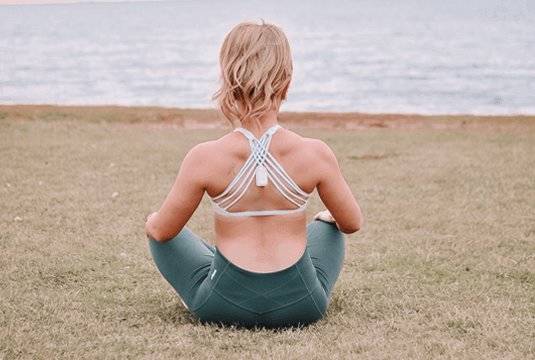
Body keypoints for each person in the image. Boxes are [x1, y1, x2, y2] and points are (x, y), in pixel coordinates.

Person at [144, 19, 363, 329]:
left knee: (158, 226)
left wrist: (152, 221)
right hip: (302, 306)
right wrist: (329, 216)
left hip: (221, 306)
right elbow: (352, 223)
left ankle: (203, 288)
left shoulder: (204, 157)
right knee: (328, 226)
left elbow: (164, 233)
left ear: (227, 79)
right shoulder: (315, 153)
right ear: (286, 81)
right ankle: (305, 287)